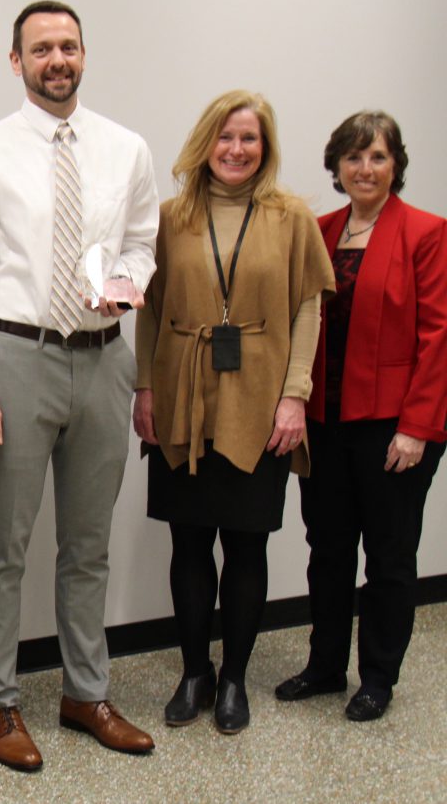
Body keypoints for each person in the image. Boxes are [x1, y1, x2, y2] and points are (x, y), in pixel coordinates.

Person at [0, 0, 158, 771]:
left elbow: (141, 242)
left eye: (68, 46)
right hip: (18, 357)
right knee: (3, 544)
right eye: (42, 49)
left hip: (106, 356)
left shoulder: (125, 148)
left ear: (83, 54)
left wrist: (127, 283)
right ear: (17, 62)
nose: (57, 59)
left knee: (89, 544)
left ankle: (84, 691)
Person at [133, 90, 335, 734]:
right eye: (225, 137)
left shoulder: (290, 216)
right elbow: (149, 306)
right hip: (182, 397)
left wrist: (294, 395)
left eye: (249, 139)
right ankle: (194, 672)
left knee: (246, 545)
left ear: (265, 147)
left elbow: (308, 307)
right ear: (205, 143)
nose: (236, 150)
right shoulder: (170, 216)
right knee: (189, 543)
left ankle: (233, 680)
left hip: (258, 401)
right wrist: (145, 387)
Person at [274, 111, 447, 721]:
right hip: (325, 418)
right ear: (336, 166)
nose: (364, 168)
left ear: (395, 164)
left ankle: (377, 676)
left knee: (390, 554)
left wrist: (418, 428)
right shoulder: (319, 232)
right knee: (328, 548)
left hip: (393, 425)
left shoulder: (427, 233)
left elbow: (439, 337)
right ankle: (325, 667)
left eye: (376, 156)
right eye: (352, 157)